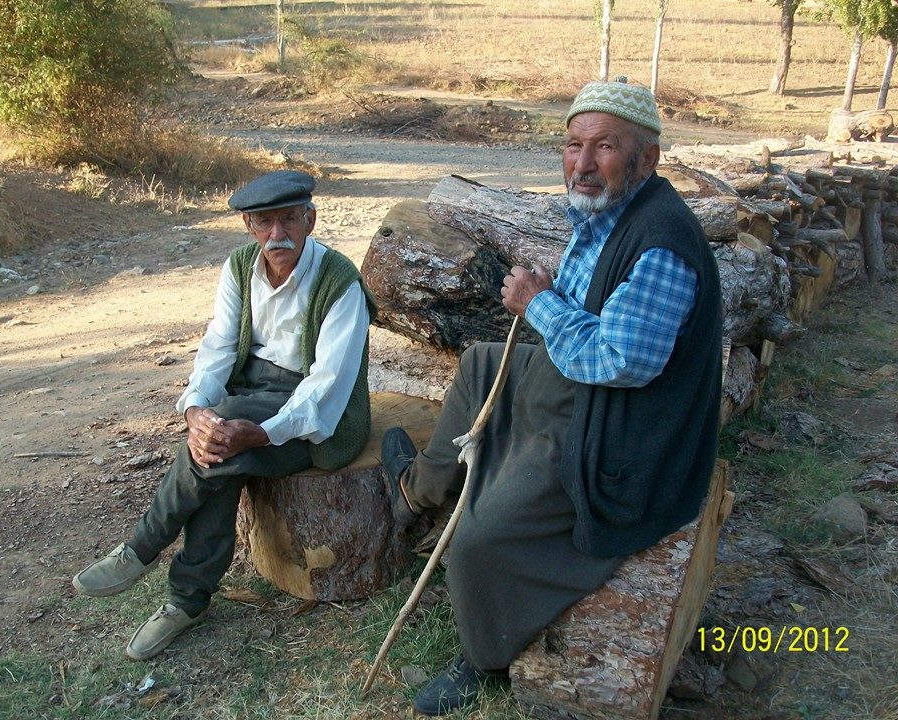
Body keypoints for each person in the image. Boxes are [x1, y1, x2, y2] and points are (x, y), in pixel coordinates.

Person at [381, 77, 723, 716]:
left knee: (482, 539)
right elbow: (593, 303)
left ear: (646, 159)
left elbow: (617, 360)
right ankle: (420, 493)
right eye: (573, 145)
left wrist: (538, 304)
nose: (584, 164)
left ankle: (482, 658)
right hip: (595, 394)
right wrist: (551, 288)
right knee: (484, 364)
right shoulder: (614, 213)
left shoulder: (662, 245)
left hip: (625, 430)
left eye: (605, 148)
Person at [73, 170, 375, 660]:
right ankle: (184, 600)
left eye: (288, 220)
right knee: (215, 450)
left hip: (312, 414)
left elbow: (327, 389)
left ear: (310, 219)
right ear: (249, 228)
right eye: (264, 223)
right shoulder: (239, 268)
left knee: (218, 445)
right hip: (247, 392)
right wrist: (195, 410)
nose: (278, 234)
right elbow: (217, 347)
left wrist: (260, 433)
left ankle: (146, 555)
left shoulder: (340, 282)